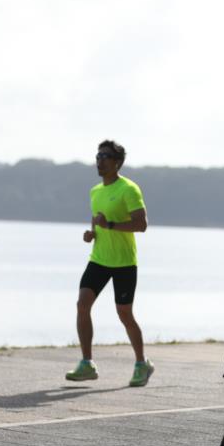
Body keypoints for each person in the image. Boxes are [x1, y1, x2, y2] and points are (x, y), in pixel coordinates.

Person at [65, 140, 155, 386]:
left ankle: (141, 363)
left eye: (105, 156)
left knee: (124, 314)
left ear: (117, 162)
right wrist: (92, 233)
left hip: (124, 262)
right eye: (97, 156)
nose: (99, 160)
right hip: (99, 259)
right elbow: (97, 221)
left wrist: (111, 226)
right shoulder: (95, 191)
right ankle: (87, 363)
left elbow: (142, 224)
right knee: (82, 304)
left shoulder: (129, 189)